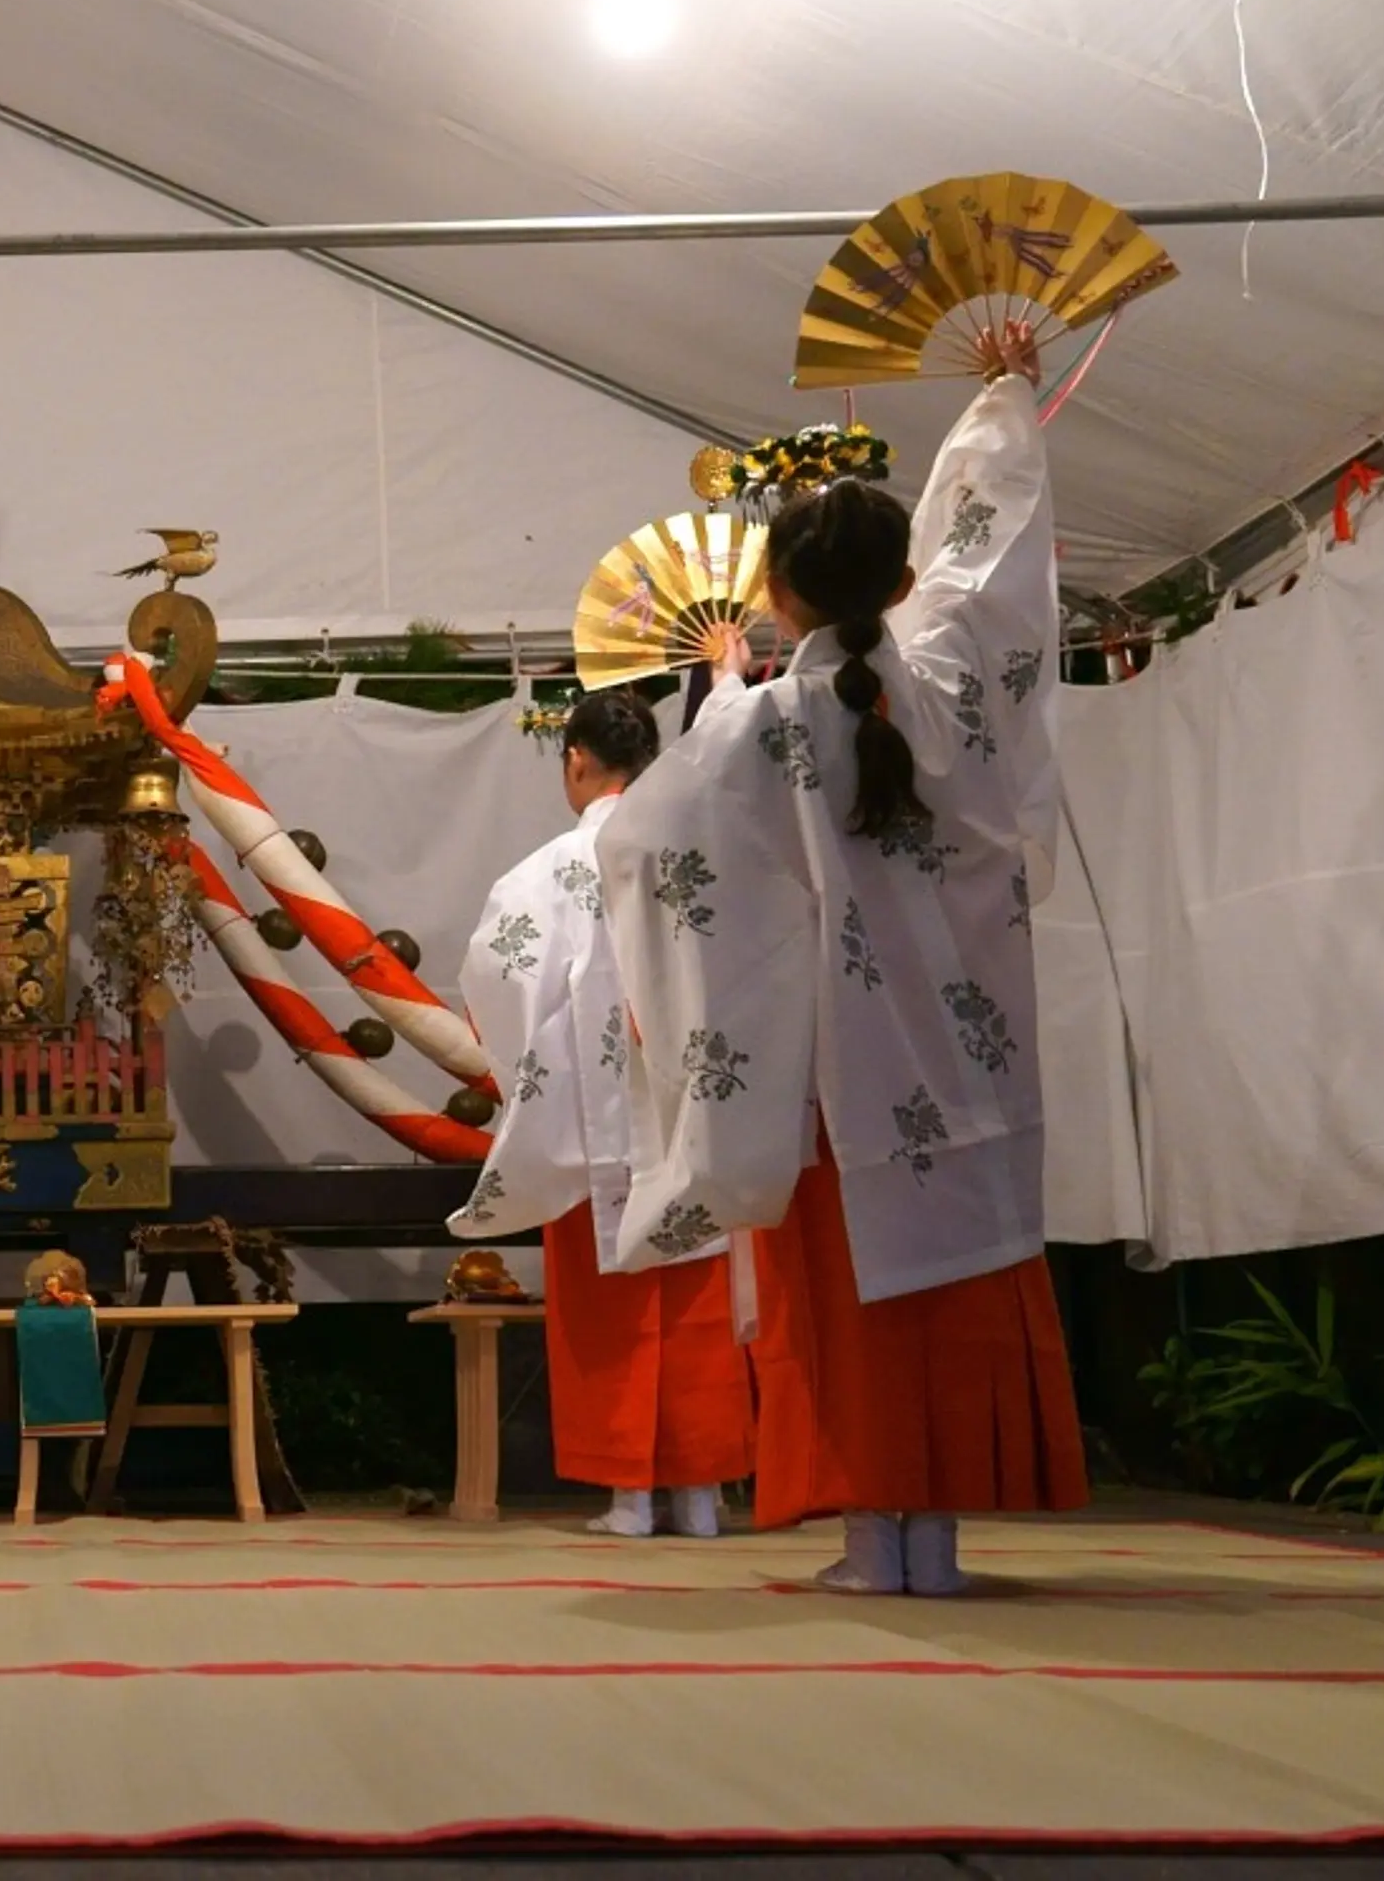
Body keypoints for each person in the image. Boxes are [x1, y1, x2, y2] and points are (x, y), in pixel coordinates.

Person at [596, 320, 1087, 1595]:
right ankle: (940, 1545)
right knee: (958, 1285)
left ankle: (876, 1542)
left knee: (853, 1291)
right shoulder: (952, 671)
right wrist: (1003, 395)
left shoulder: (760, 720)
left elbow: (648, 854)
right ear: (897, 577)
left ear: (778, 594)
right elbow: (994, 555)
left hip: (835, 1066)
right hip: (972, 1051)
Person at [449, 687, 751, 1537]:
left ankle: (628, 1495)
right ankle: (700, 1492)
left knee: (610, 1302)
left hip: (593, 1118)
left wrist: (529, 1073)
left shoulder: (546, 872)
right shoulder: (692, 853)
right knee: (694, 1295)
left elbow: (499, 981)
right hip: (690, 1111)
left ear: (576, 761)